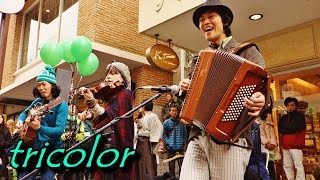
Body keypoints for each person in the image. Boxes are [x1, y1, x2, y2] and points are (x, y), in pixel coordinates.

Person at [178, 0, 267, 179]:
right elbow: (189, 103)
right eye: (201, 20)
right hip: (198, 138)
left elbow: (263, 91)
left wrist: (262, 100)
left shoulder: (248, 52)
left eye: (211, 16)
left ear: (224, 21)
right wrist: (185, 90)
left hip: (232, 139)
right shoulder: (197, 60)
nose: (205, 22)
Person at [79, 61, 135, 180]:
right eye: (108, 74)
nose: (108, 76)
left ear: (123, 79)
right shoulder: (111, 97)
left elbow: (112, 119)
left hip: (117, 146)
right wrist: (92, 117)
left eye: (114, 74)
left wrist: (92, 103)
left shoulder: (124, 94)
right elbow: (106, 119)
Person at [15, 65, 68, 180]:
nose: (41, 88)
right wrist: (20, 121)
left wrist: (40, 128)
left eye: (44, 84)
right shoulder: (38, 102)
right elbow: (25, 113)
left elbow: (59, 131)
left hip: (52, 150)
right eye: (39, 85)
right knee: (24, 177)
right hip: (34, 147)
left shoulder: (62, 105)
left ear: (52, 85)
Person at [278, 97, 306, 180]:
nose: (290, 107)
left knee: (298, 166)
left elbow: (295, 128)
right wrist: (290, 129)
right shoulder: (283, 118)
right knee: (287, 166)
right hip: (286, 145)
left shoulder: (300, 117)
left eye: (292, 105)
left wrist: (286, 129)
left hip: (296, 145)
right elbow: (280, 129)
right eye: (288, 105)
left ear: (296, 106)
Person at [135, 100, 163, 180]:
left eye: (141, 106)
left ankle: (149, 178)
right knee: (140, 163)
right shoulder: (145, 116)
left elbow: (158, 128)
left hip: (146, 142)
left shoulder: (152, 116)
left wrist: (153, 142)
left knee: (148, 162)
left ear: (143, 106)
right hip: (140, 141)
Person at [163, 104, 187, 178]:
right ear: (169, 112)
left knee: (182, 166)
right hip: (171, 148)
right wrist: (168, 142)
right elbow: (164, 135)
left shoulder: (182, 123)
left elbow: (185, 134)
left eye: (176, 111)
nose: (174, 112)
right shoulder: (166, 123)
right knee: (171, 167)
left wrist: (183, 143)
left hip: (180, 148)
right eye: (172, 111)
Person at [0, 114, 11, 180]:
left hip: (2, 154)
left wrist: (3, 143)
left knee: (3, 173)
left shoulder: (5, 130)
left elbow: (10, 142)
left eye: (1, 117)